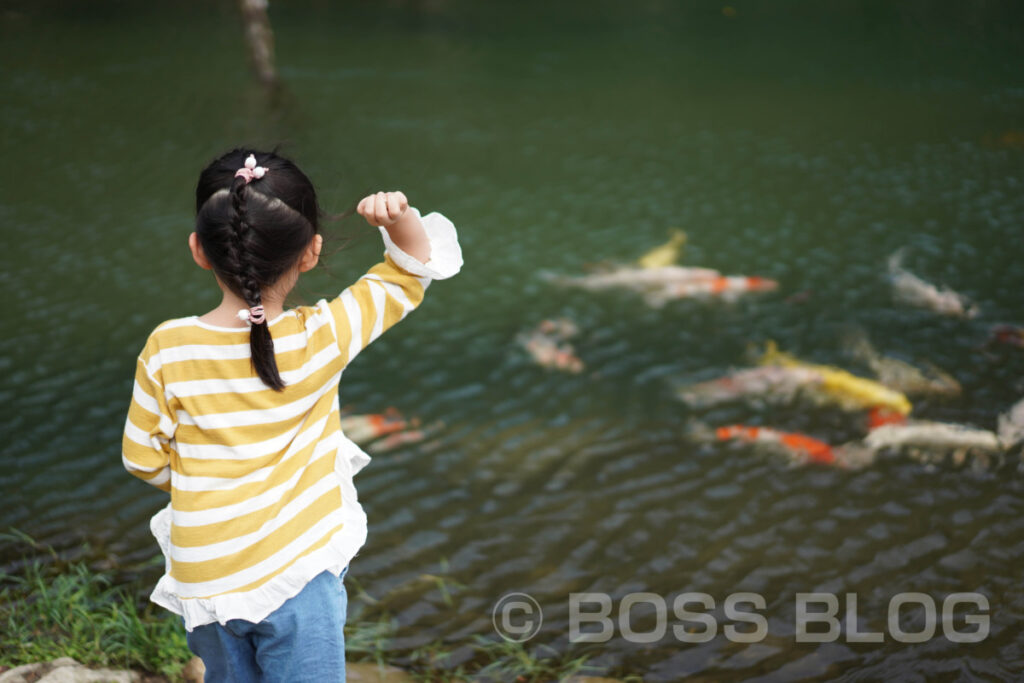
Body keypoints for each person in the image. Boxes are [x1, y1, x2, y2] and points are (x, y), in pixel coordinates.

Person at [120, 149, 462, 682]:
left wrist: (209, 485)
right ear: (310, 253)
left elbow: (142, 459)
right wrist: (399, 220)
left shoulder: (168, 347)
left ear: (199, 250)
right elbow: (408, 275)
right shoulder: (323, 335)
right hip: (296, 573)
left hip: (204, 573)